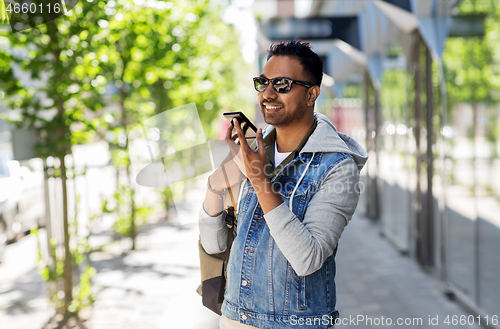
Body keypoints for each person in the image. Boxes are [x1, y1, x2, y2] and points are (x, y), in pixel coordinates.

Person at [199, 40, 368, 329]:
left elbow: (308, 258)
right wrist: (216, 185)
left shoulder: (338, 168)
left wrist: (258, 180)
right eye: (263, 82)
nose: (267, 93)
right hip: (233, 318)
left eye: (282, 84)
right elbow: (215, 245)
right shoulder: (253, 150)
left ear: (311, 94)